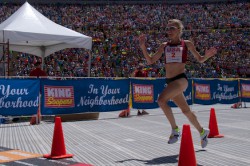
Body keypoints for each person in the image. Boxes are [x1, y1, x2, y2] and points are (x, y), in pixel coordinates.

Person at [138, 19, 217, 148]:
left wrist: (207, 55)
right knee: (186, 111)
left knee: (161, 101)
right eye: (167, 28)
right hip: (170, 81)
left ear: (179, 30)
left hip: (181, 79)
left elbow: (201, 59)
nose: (168, 31)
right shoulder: (164, 45)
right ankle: (203, 132)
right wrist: (143, 48)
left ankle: (175, 130)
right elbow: (150, 61)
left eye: (172, 28)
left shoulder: (187, 44)